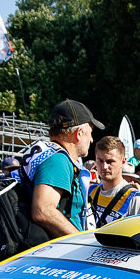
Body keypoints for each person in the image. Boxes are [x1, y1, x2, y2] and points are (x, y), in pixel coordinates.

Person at [17, 100, 99, 239]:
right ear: (79, 133)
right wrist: (82, 240)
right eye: (90, 133)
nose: (91, 140)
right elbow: (43, 211)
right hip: (60, 248)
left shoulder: (49, 152)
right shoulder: (58, 160)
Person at [89, 137, 140, 228]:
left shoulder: (134, 199)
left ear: (123, 162)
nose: (104, 167)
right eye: (100, 161)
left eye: (110, 161)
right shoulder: (90, 191)